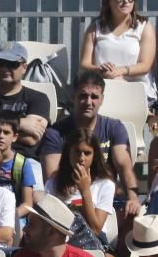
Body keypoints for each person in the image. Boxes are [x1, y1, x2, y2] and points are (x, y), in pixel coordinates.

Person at [41, 70, 140, 220]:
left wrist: (133, 198)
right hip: (68, 202)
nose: (88, 102)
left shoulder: (114, 127)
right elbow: (54, 177)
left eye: (94, 97)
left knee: (133, 216)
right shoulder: (55, 133)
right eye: (83, 96)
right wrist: (86, 192)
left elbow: (124, 165)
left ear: (102, 99)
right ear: (73, 97)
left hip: (107, 198)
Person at [79, 0, 156, 110]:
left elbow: (146, 65)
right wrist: (100, 69)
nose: (126, 1)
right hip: (104, 89)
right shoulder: (95, 28)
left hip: (138, 90)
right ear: (108, 0)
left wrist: (119, 71)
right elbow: (84, 63)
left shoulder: (144, 27)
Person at [44, 129, 115, 250]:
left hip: (94, 243)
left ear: (94, 155)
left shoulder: (105, 184)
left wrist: (85, 191)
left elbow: (95, 229)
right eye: (77, 152)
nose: (81, 158)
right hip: (60, 242)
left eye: (87, 153)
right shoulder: (54, 182)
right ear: (68, 153)